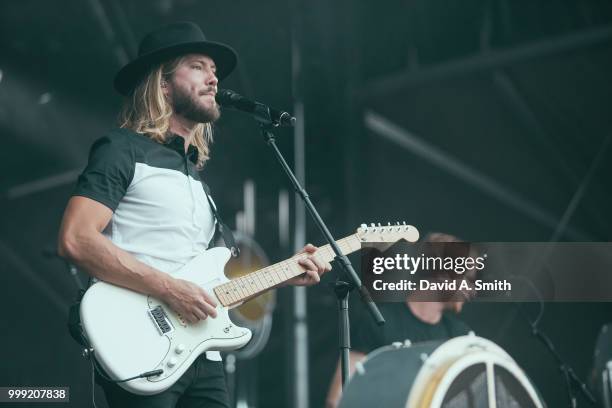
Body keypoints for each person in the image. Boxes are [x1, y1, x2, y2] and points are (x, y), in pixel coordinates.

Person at [57, 21, 331, 408]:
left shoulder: (196, 179)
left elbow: (210, 284)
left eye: (214, 72)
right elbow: (75, 239)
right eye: (198, 66)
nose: (213, 79)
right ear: (163, 84)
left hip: (204, 354)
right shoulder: (122, 150)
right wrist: (169, 289)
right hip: (141, 347)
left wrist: (286, 275)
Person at [325, 233, 474, 408]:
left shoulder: (460, 336)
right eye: (467, 278)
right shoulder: (377, 320)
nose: (472, 289)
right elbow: (337, 400)